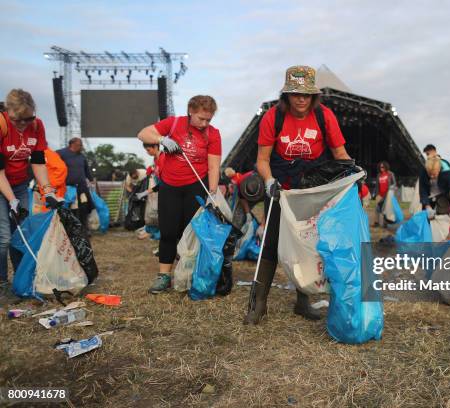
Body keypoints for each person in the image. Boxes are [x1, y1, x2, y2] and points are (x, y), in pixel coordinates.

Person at [244, 65, 356, 325]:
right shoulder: (273, 117)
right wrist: (270, 180)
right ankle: (258, 303)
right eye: (295, 94)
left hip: (312, 187)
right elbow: (261, 159)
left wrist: (354, 177)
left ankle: (303, 301)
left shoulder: (324, 116)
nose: (301, 99)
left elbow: (340, 154)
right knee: (271, 243)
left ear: (314, 95)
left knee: (309, 243)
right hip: (281, 186)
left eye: (306, 94)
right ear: (286, 95)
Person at [138, 95, 221, 293]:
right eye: (201, 118)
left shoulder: (213, 134)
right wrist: (162, 139)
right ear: (191, 111)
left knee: (190, 233)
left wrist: (212, 192)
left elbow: (213, 166)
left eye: (208, 119)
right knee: (168, 232)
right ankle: (164, 276)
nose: (204, 123)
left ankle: (187, 275)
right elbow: (143, 134)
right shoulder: (174, 123)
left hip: (195, 187)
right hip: (170, 186)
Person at [0, 89, 62, 289]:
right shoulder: (2, 125)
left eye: (28, 119)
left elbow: (37, 162)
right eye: (18, 120)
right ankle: (2, 282)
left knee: (21, 234)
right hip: (2, 183)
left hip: (19, 184)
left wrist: (48, 191)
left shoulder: (36, 126)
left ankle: (21, 279)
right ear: (8, 112)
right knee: (4, 238)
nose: (23, 124)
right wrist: (12, 201)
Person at [57, 137, 94, 228]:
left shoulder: (82, 156)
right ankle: (67, 228)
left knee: (83, 207)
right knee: (67, 209)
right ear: (72, 144)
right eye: (80, 145)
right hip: (67, 188)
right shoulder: (60, 153)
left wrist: (91, 180)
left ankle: (83, 228)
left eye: (81, 145)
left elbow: (87, 170)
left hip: (81, 188)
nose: (81, 147)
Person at [419, 144, 450, 218]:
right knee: (427, 219)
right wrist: (427, 206)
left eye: (434, 174)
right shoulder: (424, 169)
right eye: (429, 174)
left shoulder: (447, 171)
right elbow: (423, 189)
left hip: (443, 197)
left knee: (443, 218)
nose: (431, 177)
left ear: (439, 170)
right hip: (430, 196)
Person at [373, 161, 396, 227]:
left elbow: (394, 184)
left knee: (385, 209)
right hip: (379, 194)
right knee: (377, 208)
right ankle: (376, 222)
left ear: (386, 167)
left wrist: (391, 189)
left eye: (383, 167)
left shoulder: (390, 174)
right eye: (380, 167)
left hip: (387, 195)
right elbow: (377, 185)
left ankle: (385, 223)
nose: (381, 168)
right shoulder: (379, 175)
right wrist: (376, 194)